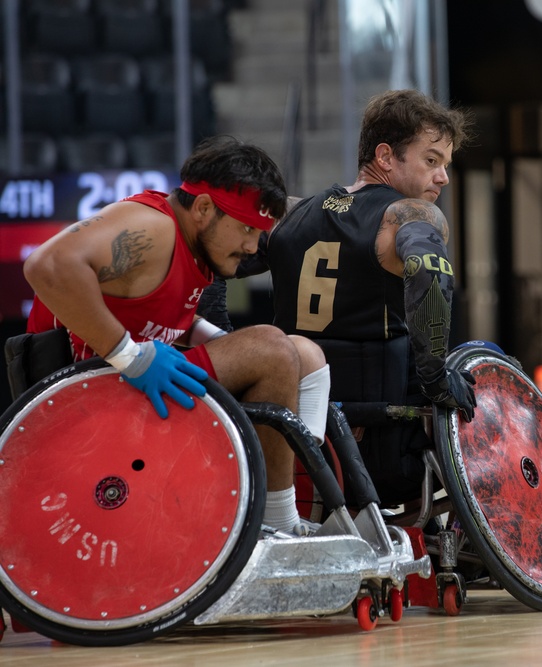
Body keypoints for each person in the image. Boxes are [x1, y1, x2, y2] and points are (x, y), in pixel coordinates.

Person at [23, 135, 330, 536]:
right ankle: (277, 526)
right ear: (203, 208)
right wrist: (130, 356)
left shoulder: (194, 244)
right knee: (272, 349)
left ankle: (300, 498)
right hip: (87, 398)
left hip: (128, 388)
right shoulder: (154, 228)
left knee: (304, 353)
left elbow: (157, 319)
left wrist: (212, 337)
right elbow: (46, 266)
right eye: (246, 228)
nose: (254, 246)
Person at [233, 89, 476, 507]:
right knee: (476, 373)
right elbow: (429, 277)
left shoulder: (293, 214)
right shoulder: (410, 215)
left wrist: (218, 331)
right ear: (385, 156)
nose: (443, 178)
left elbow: (214, 261)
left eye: (446, 165)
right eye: (431, 160)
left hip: (291, 443)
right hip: (383, 443)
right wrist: (437, 378)